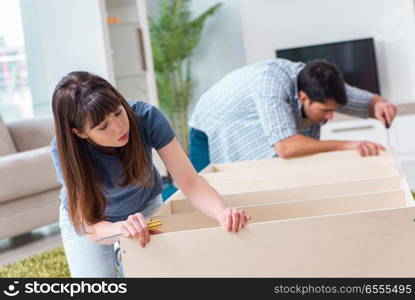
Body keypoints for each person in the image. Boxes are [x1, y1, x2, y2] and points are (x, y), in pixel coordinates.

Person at [51, 71, 251, 278]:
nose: (120, 127)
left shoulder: (145, 117)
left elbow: (190, 182)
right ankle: (122, 250)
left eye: (119, 112)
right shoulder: (64, 150)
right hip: (94, 220)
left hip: (143, 207)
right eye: (103, 127)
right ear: (80, 133)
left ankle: (127, 254)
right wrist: (122, 229)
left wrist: (222, 212)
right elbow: (92, 229)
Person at [188, 58, 397, 172]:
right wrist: (347, 145)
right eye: (325, 111)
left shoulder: (320, 84)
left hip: (245, 123)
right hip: (210, 128)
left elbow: (368, 102)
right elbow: (286, 147)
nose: (331, 116)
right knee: (205, 195)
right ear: (304, 97)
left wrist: (380, 104)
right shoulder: (270, 84)